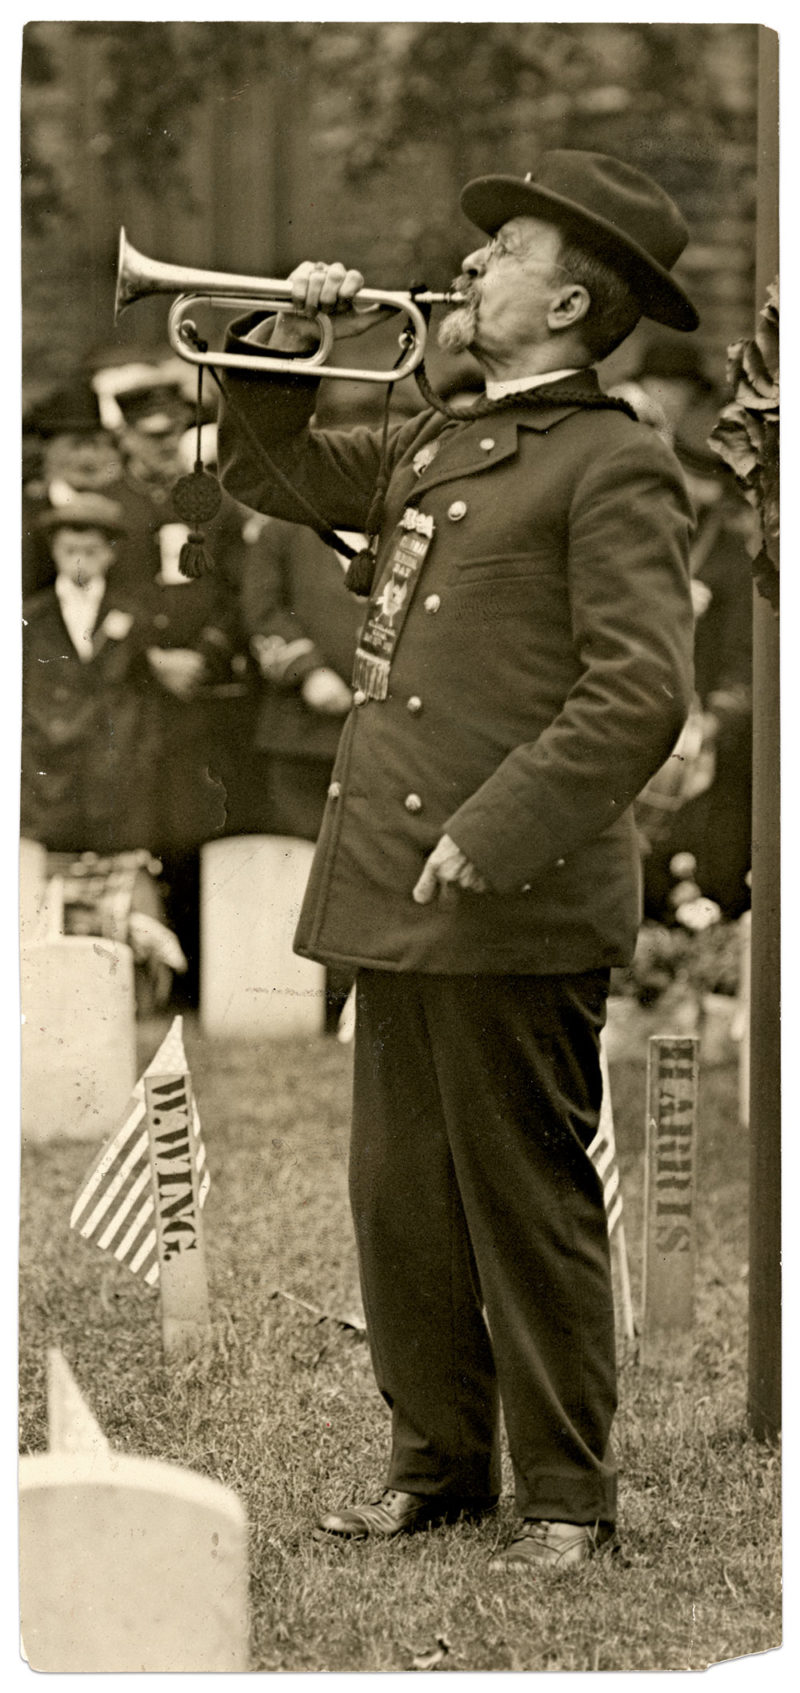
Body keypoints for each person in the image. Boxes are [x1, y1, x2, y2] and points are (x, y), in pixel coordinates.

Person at [217, 150, 697, 1571]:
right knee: (401, 1194)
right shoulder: (447, 438)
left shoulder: (615, 462)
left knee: (524, 1197)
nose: (468, 267)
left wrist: (494, 830)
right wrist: (284, 345)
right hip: (393, 877)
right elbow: (273, 468)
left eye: (504, 255)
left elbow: (635, 694)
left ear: (566, 301)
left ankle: (564, 1492)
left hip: (510, 887)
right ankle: (435, 1467)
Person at [21, 494, 160, 855]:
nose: (80, 561)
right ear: (54, 552)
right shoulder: (30, 619)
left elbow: (146, 696)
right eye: (70, 550)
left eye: (92, 550)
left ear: (111, 553)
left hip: (115, 776)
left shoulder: (133, 614)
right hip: (48, 778)